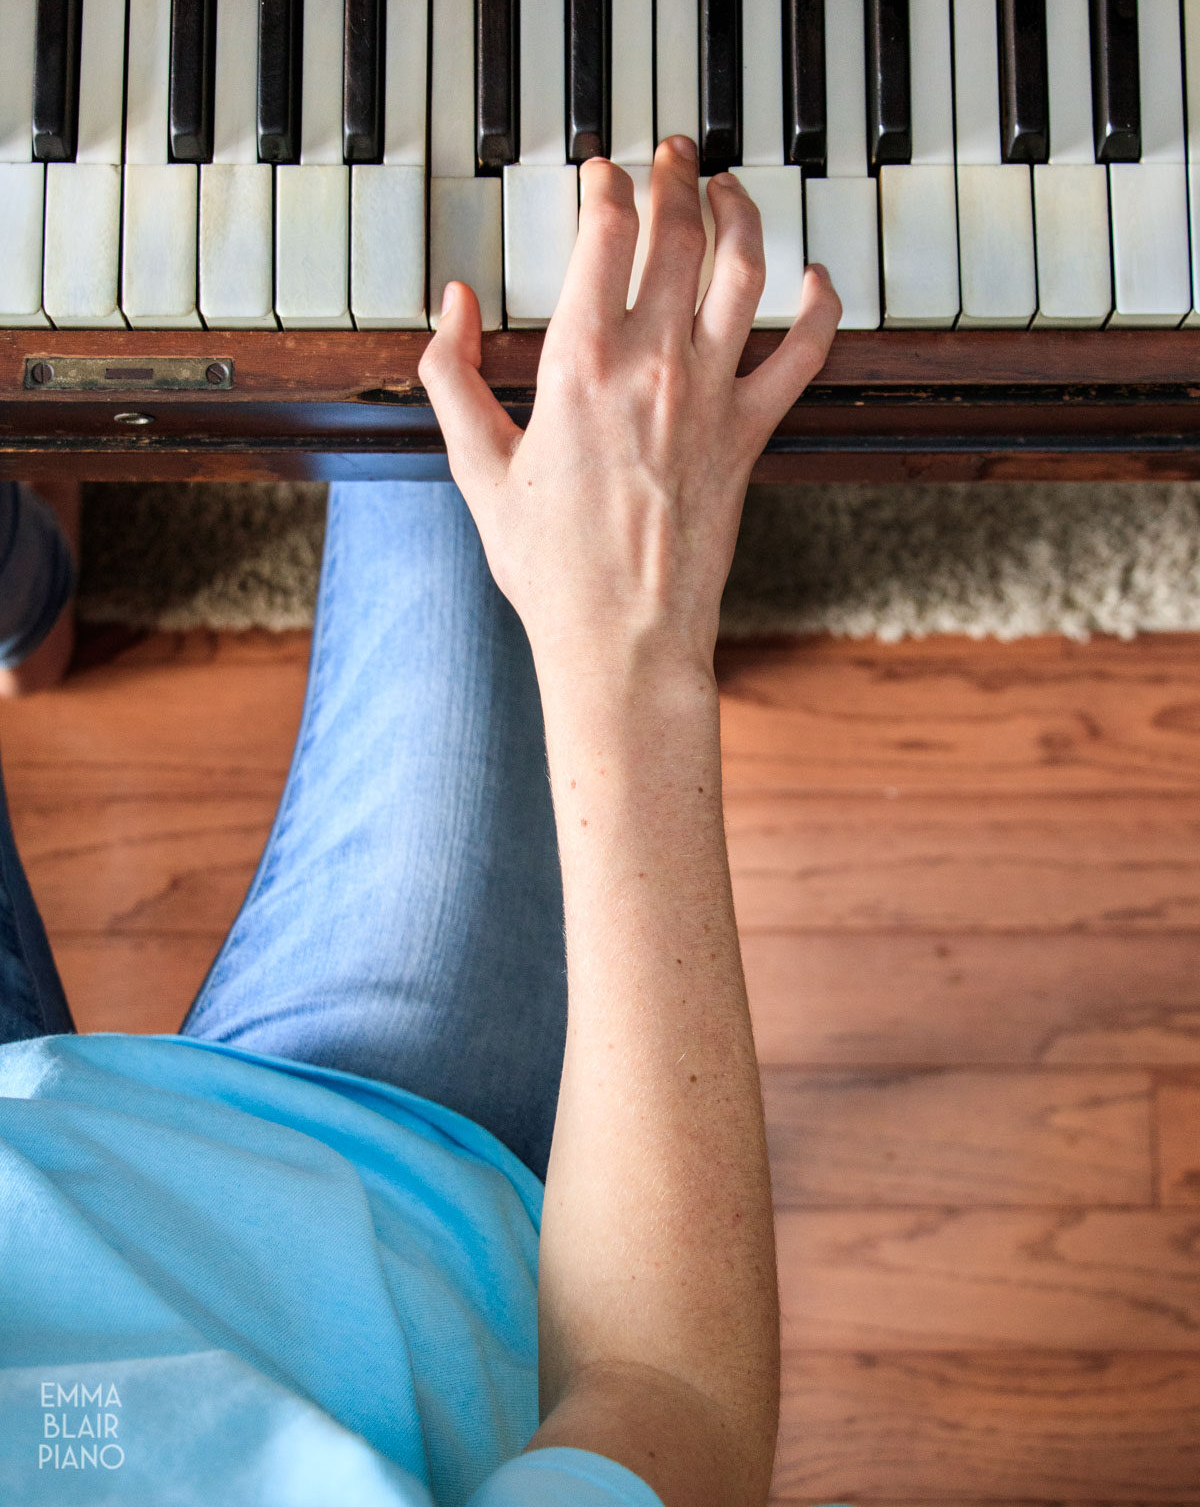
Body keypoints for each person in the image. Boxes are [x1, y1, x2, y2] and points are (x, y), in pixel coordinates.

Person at [0, 136, 842, 1507]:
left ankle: (27, 586)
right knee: (467, 309)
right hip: (376, 1166)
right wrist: (629, 649)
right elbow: (675, 1406)